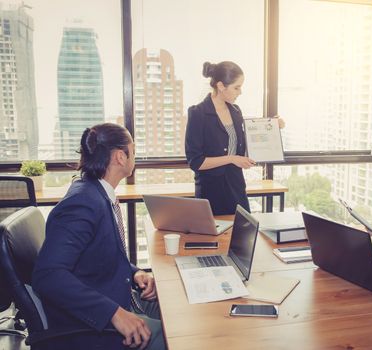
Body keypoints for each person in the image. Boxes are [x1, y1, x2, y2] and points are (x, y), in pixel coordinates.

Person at [32, 123, 165, 350]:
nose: (135, 156)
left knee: (172, 306)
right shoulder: (82, 203)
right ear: (120, 157)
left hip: (115, 294)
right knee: (175, 334)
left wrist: (135, 273)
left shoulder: (98, 193)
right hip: (91, 323)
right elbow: (47, 275)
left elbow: (101, 254)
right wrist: (114, 314)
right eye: (133, 150)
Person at [185, 61, 284, 215]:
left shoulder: (236, 111)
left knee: (243, 235)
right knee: (213, 237)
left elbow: (248, 141)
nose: (240, 92)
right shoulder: (198, 113)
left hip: (236, 187)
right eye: (236, 87)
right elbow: (195, 162)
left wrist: (272, 125)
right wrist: (231, 159)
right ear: (221, 86)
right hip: (211, 192)